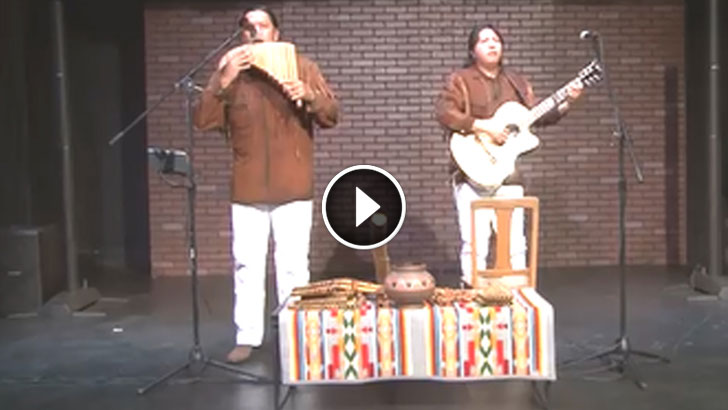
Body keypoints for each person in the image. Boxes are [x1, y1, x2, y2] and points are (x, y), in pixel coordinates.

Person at [194, 5, 338, 363]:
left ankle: (297, 335)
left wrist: (309, 94)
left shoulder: (302, 67)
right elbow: (204, 120)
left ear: (276, 33)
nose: (255, 32)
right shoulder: (231, 73)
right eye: (248, 27)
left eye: (262, 25)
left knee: (293, 267)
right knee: (247, 265)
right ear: (241, 35)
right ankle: (247, 336)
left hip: (293, 184)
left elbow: (332, 115)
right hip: (248, 187)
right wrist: (223, 80)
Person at [435, 24, 582, 287]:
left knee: (515, 241)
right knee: (475, 241)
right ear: (472, 50)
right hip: (471, 170)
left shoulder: (516, 82)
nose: (492, 44)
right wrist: (484, 126)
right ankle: (473, 292)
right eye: (484, 40)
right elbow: (445, 112)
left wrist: (567, 101)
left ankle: (517, 293)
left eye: (496, 40)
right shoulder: (460, 79)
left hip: (508, 173)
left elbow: (536, 115)